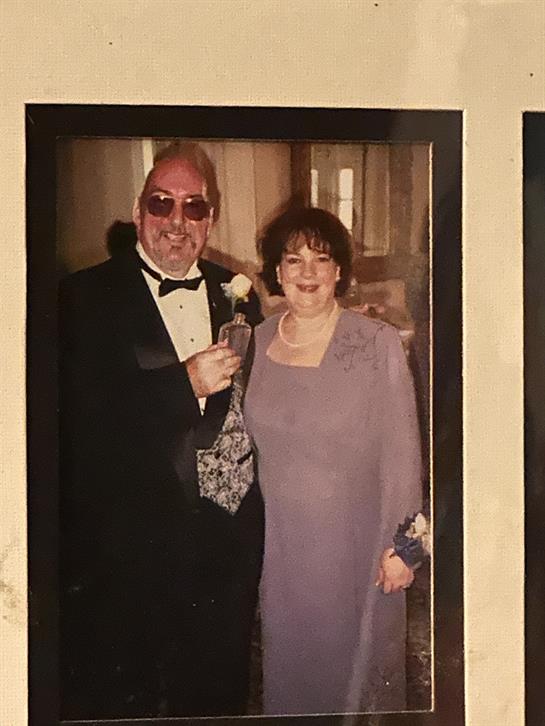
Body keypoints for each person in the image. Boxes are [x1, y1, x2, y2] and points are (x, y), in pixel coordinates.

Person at [59, 142, 264, 718]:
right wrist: (184, 383)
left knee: (217, 697)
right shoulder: (81, 296)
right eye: (161, 203)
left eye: (194, 206)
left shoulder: (238, 291)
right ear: (137, 211)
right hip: (129, 551)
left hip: (224, 550)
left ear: (210, 218)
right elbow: (77, 419)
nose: (178, 220)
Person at [243, 207, 422, 715]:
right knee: (291, 681)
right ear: (277, 272)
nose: (307, 272)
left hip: (355, 550)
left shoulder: (376, 343)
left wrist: (407, 548)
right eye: (293, 259)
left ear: (339, 270)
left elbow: (403, 451)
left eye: (320, 259)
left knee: (350, 686)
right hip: (281, 551)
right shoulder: (258, 338)